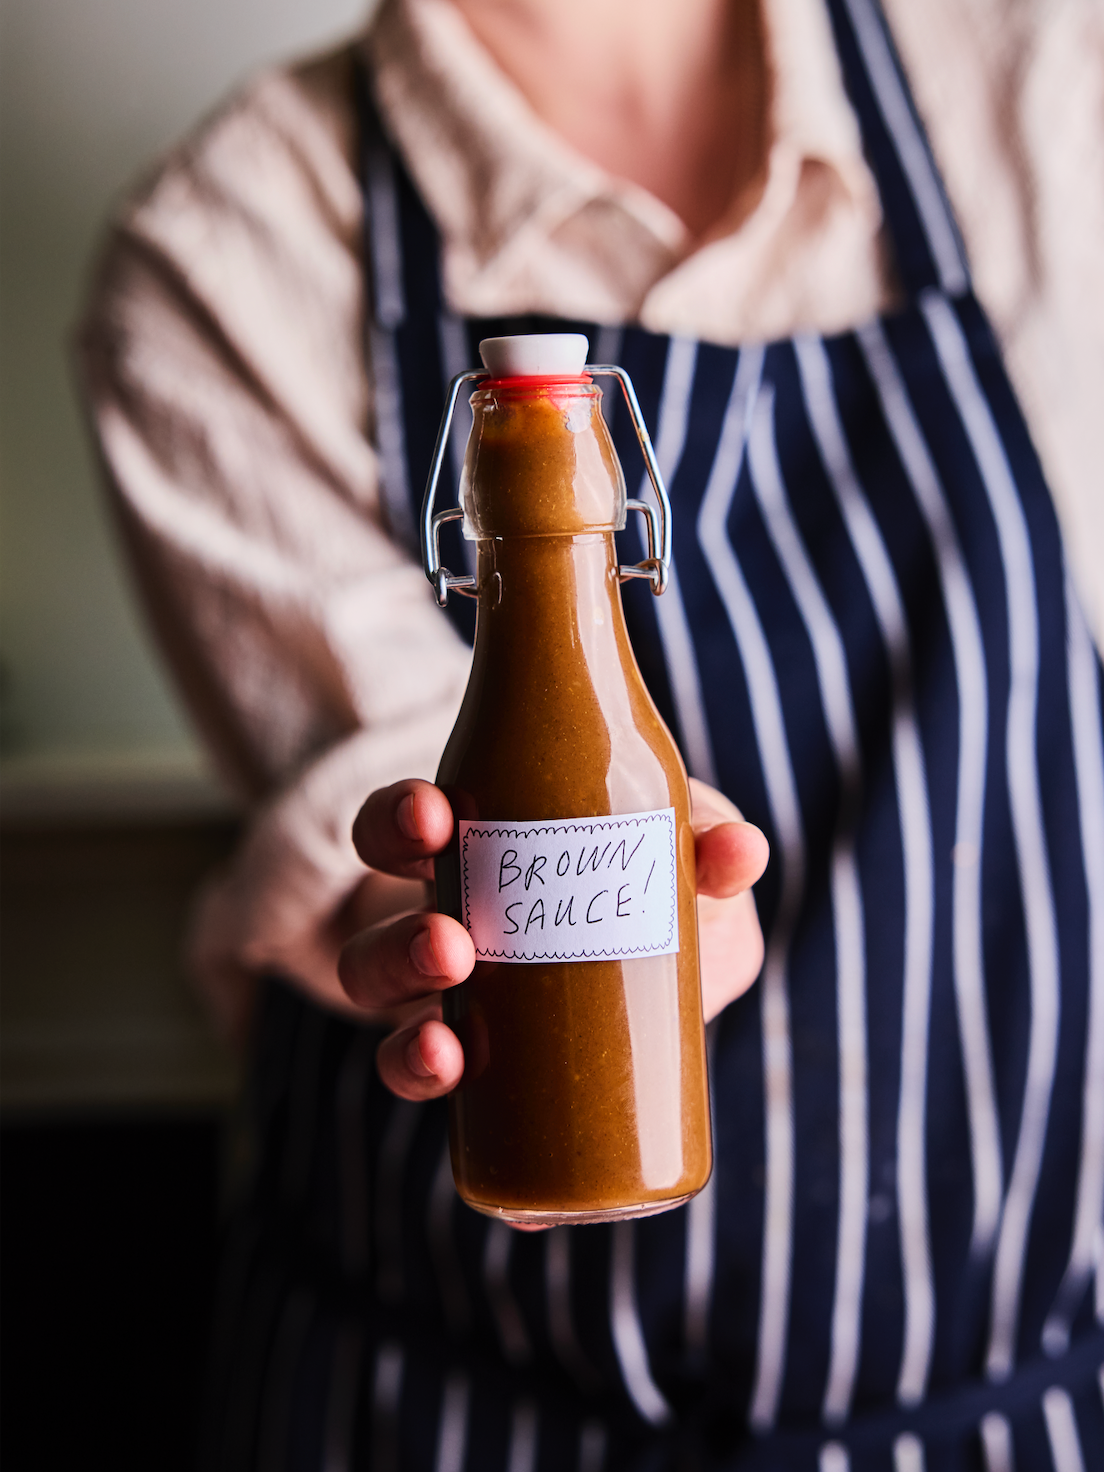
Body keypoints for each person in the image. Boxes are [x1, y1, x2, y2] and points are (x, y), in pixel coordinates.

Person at [77, 0, 1104, 1465]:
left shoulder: (1047, 82)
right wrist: (560, 928)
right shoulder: (231, 251)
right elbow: (437, 793)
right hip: (466, 1415)